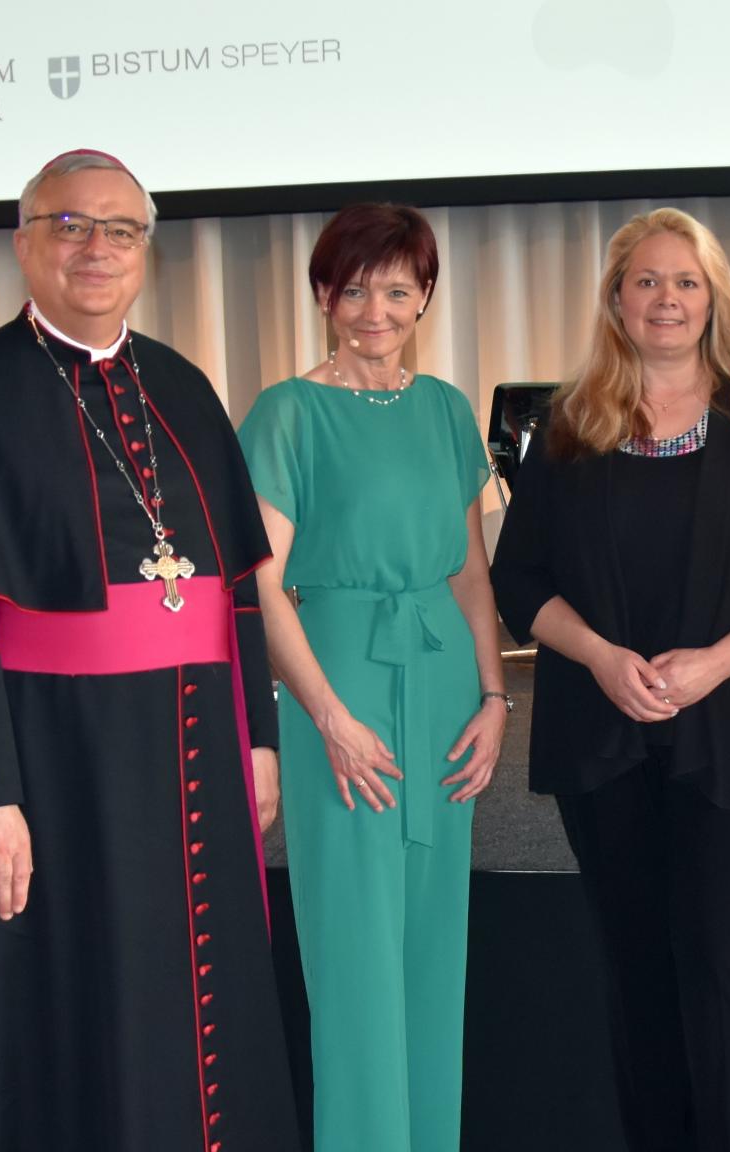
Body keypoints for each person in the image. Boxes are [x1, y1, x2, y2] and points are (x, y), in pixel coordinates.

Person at [0, 149, 299, 1151]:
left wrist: (256, 740)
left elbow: (232, 589)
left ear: (146, 251)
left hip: (188, 744)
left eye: (120, 230)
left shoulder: (182, 385)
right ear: (23, 243)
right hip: (48, 757)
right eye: (69, 225)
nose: (96, 248)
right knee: (62, 1004)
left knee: (195, 997)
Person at [490, 206, 730, 1152]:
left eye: (685, 281)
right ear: (615, 300)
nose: (666, 298)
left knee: (724, 960)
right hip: (600, 734)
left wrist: (713, 666)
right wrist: (603, 659)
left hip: (727, 733)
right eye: (645, 281)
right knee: (637, 966)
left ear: (714, 297)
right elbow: (519, 580)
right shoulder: (568, 423)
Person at [237, 203, 504, 1151]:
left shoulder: (445, 409)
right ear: (323, 294)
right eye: (355, 289)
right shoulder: (287, 412)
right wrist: (328, 719)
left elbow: (470, 571)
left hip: (441, 690)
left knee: (435, 950)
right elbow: (261, 586)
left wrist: (496, 697)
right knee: (353, 959)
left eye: (397, 289)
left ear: (425, 295)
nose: (375, 310)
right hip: (335, 682)